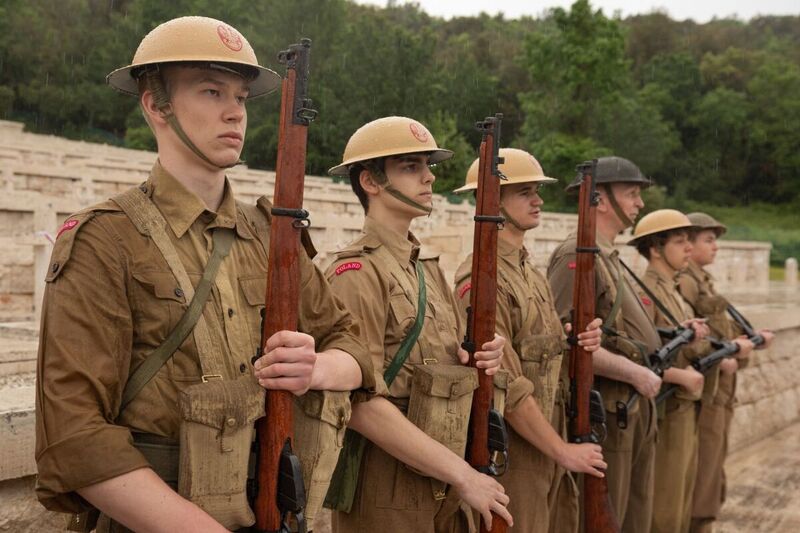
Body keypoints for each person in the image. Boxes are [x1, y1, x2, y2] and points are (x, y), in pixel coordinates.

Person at [35, 16, 372, 532]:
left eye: (240, 97)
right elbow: (76, 435)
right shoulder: (106, 239)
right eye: (212, 91)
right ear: (156, 104)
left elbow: (353, 348)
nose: (235, 112)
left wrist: (318, 368)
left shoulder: (270, 234)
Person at [324, 116, 512, 533]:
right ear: (371, 182)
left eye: (427, 165)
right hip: (387, 482)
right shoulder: (357, 272)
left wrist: (480, 352)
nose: (428, 177)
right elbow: (360, 405)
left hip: (443, 469)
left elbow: (454, 353)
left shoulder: (426, 269)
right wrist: (463, 475)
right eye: (410, 166)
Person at [451, 148, 606, 533]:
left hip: (549, 435)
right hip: (515, 450)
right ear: (490, 200)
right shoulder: (482, 279)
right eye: (524, 192)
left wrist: (573, 341)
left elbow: (542, 350)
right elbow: (506, 384)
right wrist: (562, 451)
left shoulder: (528, 270)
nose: (538, 200)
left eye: (537, 190)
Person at [547, 156, 667, 532]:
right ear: (598, 197)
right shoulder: (575, 254)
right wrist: (633, 370)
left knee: (634, 514)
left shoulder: (608, 256)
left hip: (629, 407)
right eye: (631, 194)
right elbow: (566, 343)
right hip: (607, 409)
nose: (640, 203)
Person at [679, 212, 772, 533]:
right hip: (705, 391)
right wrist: (730, 355)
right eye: (708, 239)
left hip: (719, 390)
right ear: (688, 243)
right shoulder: (686, 282)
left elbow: (722, 332)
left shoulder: (702, 280)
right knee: (702, 467)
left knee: (712, 463)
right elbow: (691, 342)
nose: (716, 247)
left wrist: (742, 344)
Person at [626, 208, 713, 533]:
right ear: (654, 248)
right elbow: (641, 357)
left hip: (684, 407)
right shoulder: (645, 295)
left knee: (682, 500)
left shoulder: (671, 291)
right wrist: (680, 376)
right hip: (667, 409)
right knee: (664, 506)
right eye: (679, 241)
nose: (688, 248)